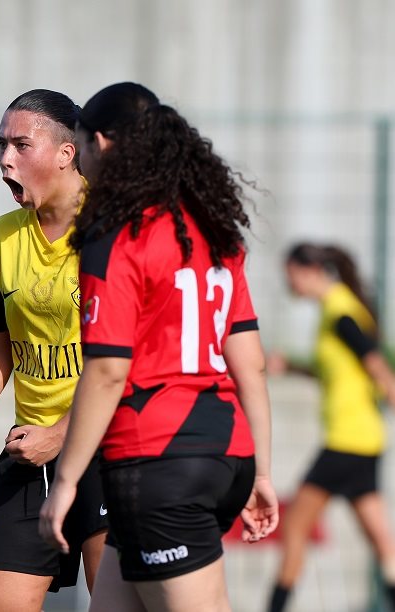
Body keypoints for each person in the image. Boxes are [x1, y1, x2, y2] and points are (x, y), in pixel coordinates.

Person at [38, 82, 279, 612]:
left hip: (161, 461)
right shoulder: (213, 231)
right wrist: (260, 471)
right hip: (225, 455)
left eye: (78, 147)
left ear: (100, 144)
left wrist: (67, 482)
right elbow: (251, 365)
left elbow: (105, 372)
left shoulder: (115, 235)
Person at [0, 89, 108, 612]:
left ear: (66, 153)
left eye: (20, 144)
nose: (5, 159)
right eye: (0, 145)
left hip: (108, 449)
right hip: (28, 453)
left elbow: (131, 363)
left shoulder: (112, 229)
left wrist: (62, 435)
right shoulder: (2, 236)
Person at [266, 243, 395, 612]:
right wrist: (290, 366)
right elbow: (335, 373)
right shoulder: (334, 310)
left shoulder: (341, 313)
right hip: (363, 440)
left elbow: (377, 366)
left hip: (346, 441)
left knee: (294, 528)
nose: (287, 282)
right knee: (382, 541)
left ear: (307, 271)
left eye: (289, 273)